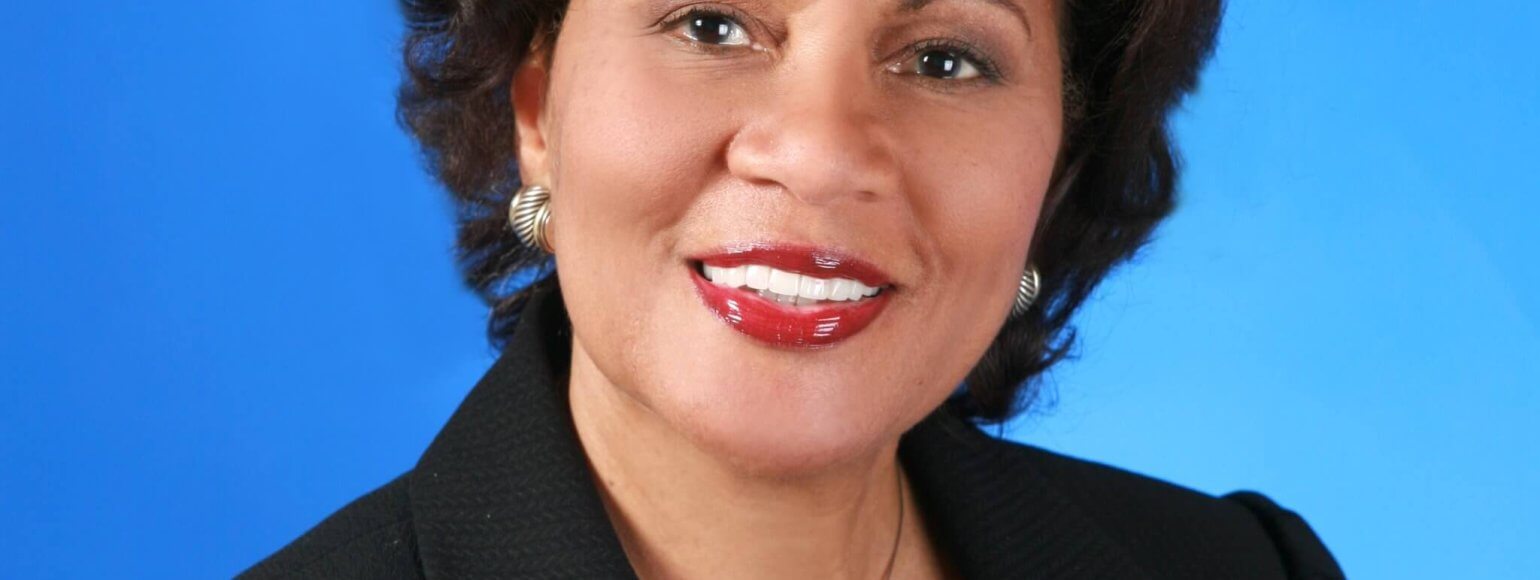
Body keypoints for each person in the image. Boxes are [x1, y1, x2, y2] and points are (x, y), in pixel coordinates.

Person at [242, 0, 1344, 577]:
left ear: (1053, 171)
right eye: (710, 25)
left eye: (944, 58)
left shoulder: (1242, 570)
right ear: (537, 109)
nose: (819, 153)